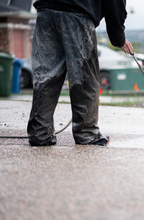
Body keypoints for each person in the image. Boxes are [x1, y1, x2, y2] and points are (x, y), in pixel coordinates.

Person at [27, 0, 134, 146]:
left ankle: (39, 133)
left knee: (46, 76)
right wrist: (118, 37)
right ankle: (87, 134)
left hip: (46, 11)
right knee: (84, 78)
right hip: (77, 13)